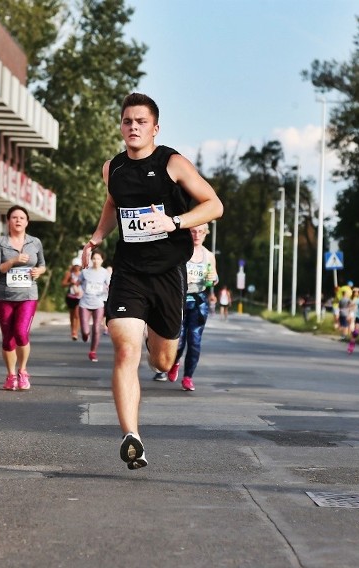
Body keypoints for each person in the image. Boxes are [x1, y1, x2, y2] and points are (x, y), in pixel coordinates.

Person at [81, 92, 223, 470]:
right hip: (128, 271)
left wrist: (175, 222)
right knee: (125, 348)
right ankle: (132, 437)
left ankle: (154, 339)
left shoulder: (172, 163)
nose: (133, 127)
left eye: (141, 122)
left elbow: (214, 205)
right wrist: (97, 237)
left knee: (162, 360)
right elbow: (113, 204)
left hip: (168, 272)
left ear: (155, 128)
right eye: (127, 121)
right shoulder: (112, 168)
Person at [153, 223, 218, 391]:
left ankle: (188, 377)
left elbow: (214, 277)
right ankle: (174, 362)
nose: (197, 235)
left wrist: (214, 278)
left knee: (195, 340)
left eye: (200, 232)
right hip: (180, 299)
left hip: (199, 301)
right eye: (193, 231)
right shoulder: (181, 253)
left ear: (206, 234)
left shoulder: (209, 255)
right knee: (179, 339)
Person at [0, 205, 46, 391]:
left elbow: (43, 265)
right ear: (8, 221)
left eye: (22, 217)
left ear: (27, 222)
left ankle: (22, 371)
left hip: (28, 295)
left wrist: (39, 271)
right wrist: (13, 261)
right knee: (7, 338)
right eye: (14, 217)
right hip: (4, 294)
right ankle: (10, 375)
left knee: (21, 332)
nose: (18, 220)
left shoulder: (35, 242)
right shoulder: (0, 242)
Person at [79, 250, 110, 362]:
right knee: (85, 331)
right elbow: (78, 283)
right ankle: (85, 335)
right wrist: (78, 290)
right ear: (91, 260)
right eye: (94, 259)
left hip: (99, 303)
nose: (96, 261)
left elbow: (110, 284)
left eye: (98, 259)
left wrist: (108, 291)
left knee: (96, 328)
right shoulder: (85, 271)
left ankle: (93, 352)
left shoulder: (105, 273)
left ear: (102, 260)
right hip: (85, 303)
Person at [61, 260, 83, 340]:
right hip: (70, 297)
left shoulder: (82, 274)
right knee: (72, 314)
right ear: (73, 266)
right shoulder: (69, 274)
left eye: (78, 265)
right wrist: (70, 283)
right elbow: (63, 284)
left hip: (80, 297)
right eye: (75, 265)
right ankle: (72, 330)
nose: (77, 267)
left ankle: (75, 332)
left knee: (77, 314)